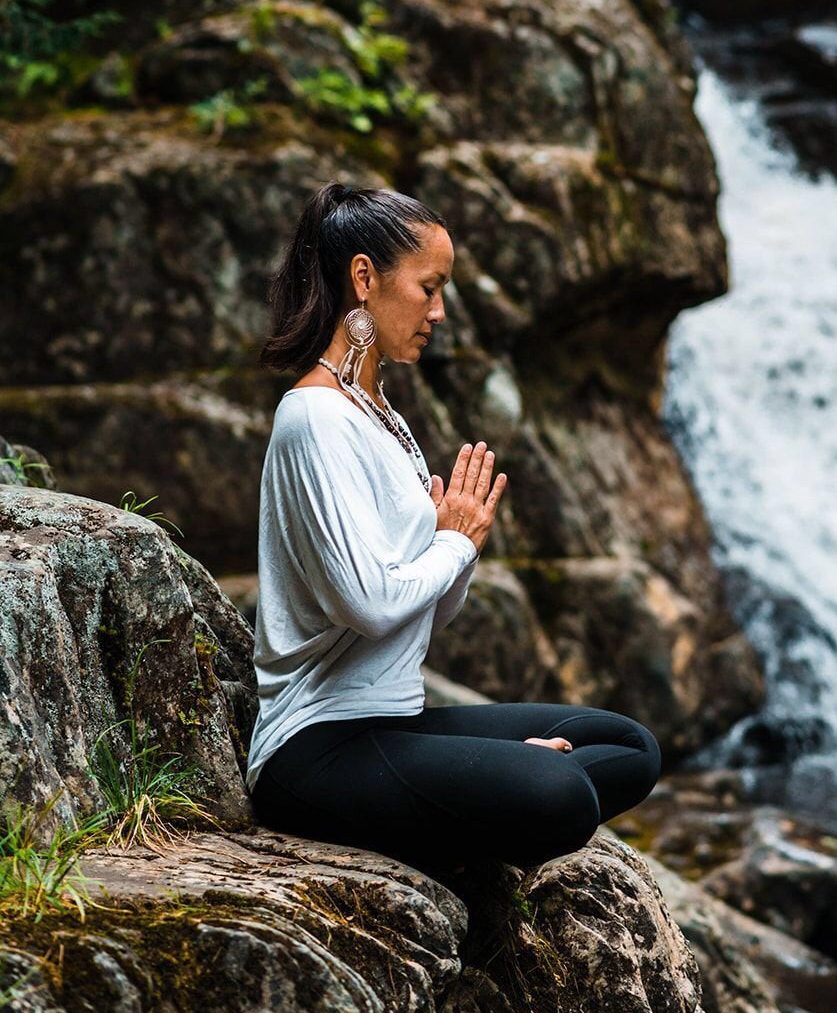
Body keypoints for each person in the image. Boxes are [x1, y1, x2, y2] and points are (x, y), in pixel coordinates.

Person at [245, 181, 662, 885]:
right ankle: (485, 803)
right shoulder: (314, 419)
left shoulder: (380, 415)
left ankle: (470, 801)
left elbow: (425, 611)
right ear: (365, 278)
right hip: (315, 750)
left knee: (628, 746)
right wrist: (455, 543)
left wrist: (456, 551)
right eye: (429, 287)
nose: (438, 312)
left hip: (393, 722)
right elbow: (370, 604)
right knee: (560, 794)